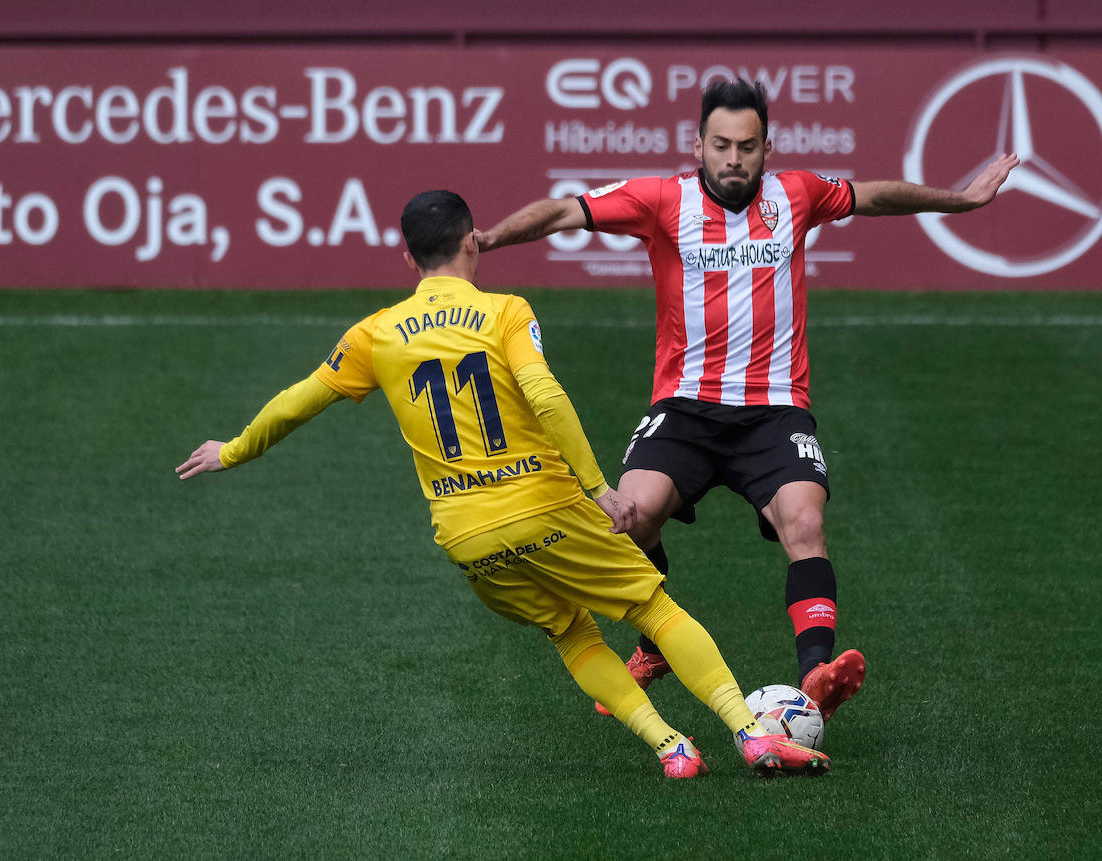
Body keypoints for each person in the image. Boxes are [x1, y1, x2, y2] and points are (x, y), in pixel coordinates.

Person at [175, 189, 831, 779]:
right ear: (470, 243)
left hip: (466, 536)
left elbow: (298, 400)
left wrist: (232, 449)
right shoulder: (505, 313)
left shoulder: (374, 334)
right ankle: (750, 732)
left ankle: (671, 747)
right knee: (652, 607)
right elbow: (544, 396)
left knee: (572, 633)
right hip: (544, 504)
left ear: (408, 260)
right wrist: (600, 486)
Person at [477, 79, 1020, 721]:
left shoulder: (798, 195)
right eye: (721, 145)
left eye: (747, 146)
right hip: (684, 407)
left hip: (775, 410)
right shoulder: (660, 199)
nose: (733, 159)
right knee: (629, 516)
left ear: (768, 146)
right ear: (698, 144)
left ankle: (816, 673)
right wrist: (488, 241)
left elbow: (874, 196)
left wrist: (959, 199)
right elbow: (564, 210)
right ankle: (653, 645)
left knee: (806, 523)